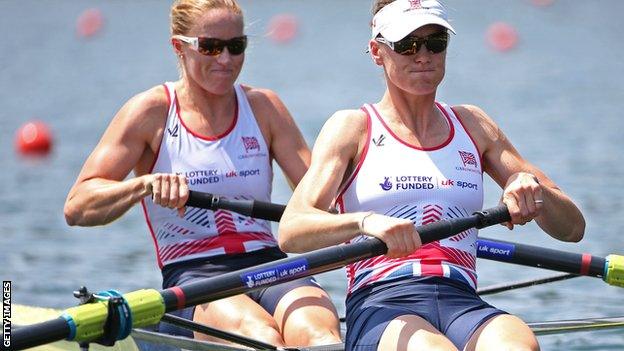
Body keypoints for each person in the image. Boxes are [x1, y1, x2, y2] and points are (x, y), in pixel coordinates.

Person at [278, 0, 586, 350]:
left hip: (460, 299)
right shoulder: (353, 128)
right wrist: (364, 222)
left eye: (435, 43)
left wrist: (532, 191)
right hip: (383, 302)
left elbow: (573, 229)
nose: (423, 55)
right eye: (407, 45)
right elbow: (292, 231)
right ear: (377, 52)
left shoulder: (474, 125)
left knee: (519, 345)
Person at [63, 0, 341, 347]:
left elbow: (323, 200)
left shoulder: (265, 107)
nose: (225, 59)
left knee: (319, 336)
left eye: (236, 46)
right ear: (179, 47)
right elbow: (77, 206)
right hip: (194, 274)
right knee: (261, 337)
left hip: (270, 263)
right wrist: (143, 185)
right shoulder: (151, 112)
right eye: (210, 47)